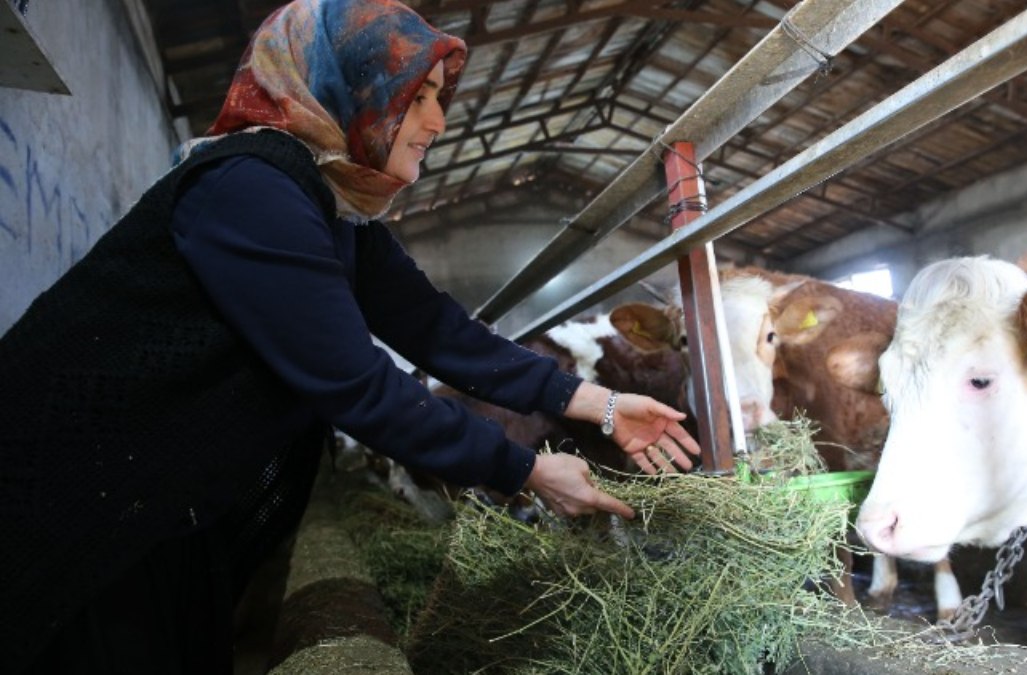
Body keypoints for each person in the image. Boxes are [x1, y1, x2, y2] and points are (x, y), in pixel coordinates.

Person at [0, 1, 700, 672]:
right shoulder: (250, 188)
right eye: (416, 95)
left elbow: (436, 328)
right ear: (354, 88)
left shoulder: (327, 205)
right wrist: (529, 471)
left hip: (151, 494)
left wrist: (598, 403)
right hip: (72, 489)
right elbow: (357, 384)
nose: (435, 121)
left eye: (438, 99)